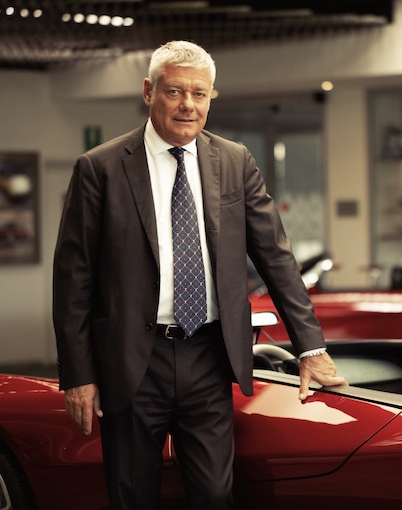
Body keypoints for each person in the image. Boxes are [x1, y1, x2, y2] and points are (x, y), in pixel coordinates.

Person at [52, 40, 346, 510]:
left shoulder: (235, 161)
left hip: (210, 355)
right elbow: (73, 281)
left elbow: (276, 258)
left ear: (211, 97)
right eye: (174, 91)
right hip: (131, 362)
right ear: (148, 92)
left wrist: (310, 346)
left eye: (200, 94)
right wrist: (78, 373)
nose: (188, 105)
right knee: (132, 496)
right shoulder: (100, 168)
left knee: (214, 495)